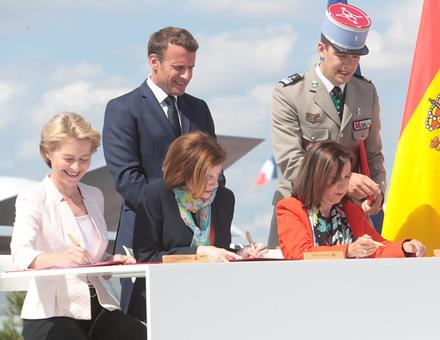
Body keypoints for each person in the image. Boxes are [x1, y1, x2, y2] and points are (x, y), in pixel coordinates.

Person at [102, 26, 218, 311]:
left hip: (198, 241)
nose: (186, 76)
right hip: (146, 239)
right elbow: (127, 178)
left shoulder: (199, 109)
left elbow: (214, 167)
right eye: (179, 67)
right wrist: (174, 215)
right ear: (154, 61)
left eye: (191, 68)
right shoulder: (123, 109)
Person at [10, 112, 146, 340]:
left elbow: (89, 253)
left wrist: (111, 259)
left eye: (84, 159)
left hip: (99, 307)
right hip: (52, 314)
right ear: (47, 153)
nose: (76, 167)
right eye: (69, 158)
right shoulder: (33, 197)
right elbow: (20, 253)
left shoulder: (94, 195)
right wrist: (59, 259)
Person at [269, 2, 385, 248]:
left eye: (355, 57)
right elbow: (291, 161)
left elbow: (373, 154)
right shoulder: (290, 93)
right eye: (341, 56)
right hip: (300, 213)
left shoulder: (367, 92)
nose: (348, 65)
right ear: (321, 49)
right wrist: (343, 182)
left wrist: (378, 193)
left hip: (350, 218)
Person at [128, 131, 266, 321]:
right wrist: (198, 253)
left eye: (218, 175)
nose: (216, 184)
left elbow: (219, 250)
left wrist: (241, 254)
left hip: (210, 302)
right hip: (161, 304)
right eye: (209, 177)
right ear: (185, 173)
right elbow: (146, 257)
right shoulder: (155, 195)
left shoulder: (224, 199)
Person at [276, 141, 426, 260]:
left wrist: (405, 247)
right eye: (334, 177)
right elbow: (300, 253)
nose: (342, 185)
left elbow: (378, 248)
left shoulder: (351, 210)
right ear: (315, 176)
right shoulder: (289, 208)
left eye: (347, 176)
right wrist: (348, 250)